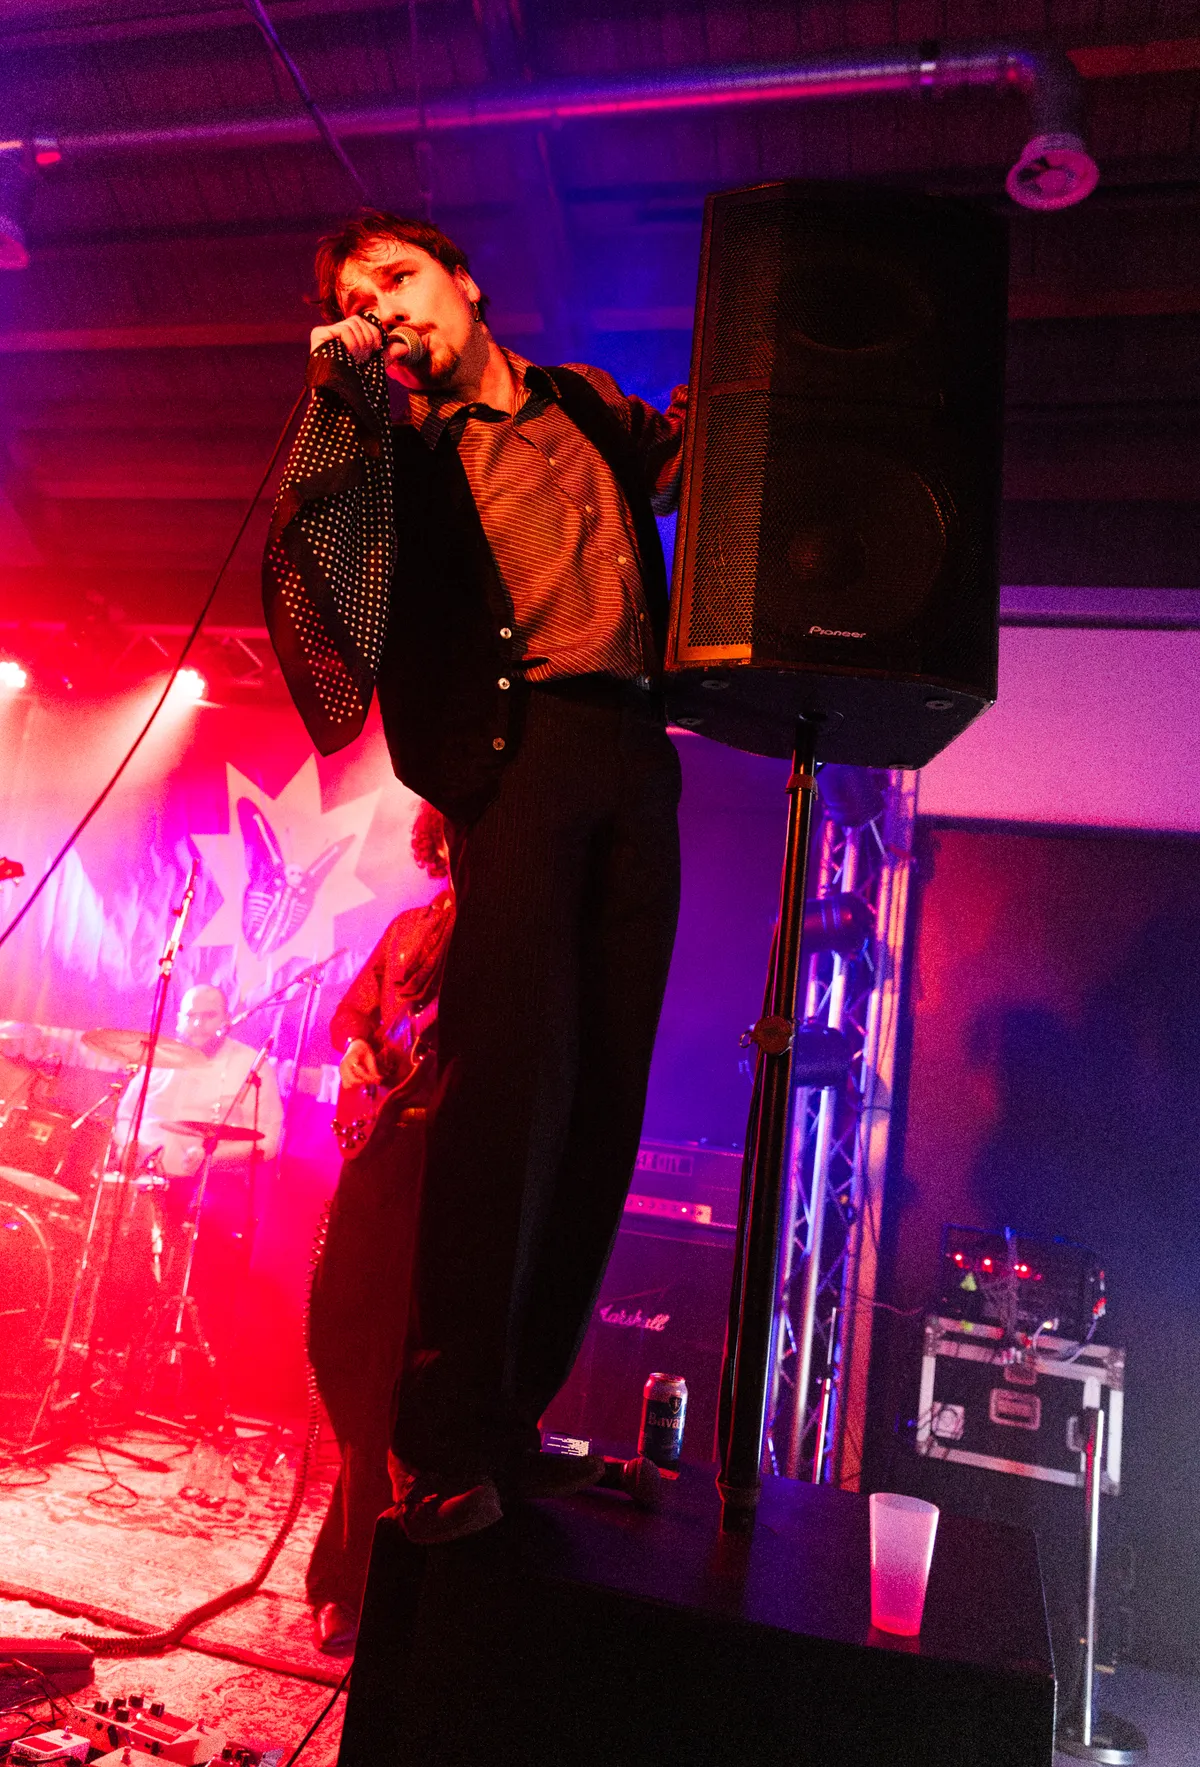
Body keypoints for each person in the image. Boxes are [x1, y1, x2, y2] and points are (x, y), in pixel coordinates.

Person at [264, 208, 686, 1545]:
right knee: (505, 1091)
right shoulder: (393, 456)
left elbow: (704, 457)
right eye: (358, 297)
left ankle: (510, 1417)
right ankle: (440, 1442)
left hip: (641, 752)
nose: (383, 306)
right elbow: (319, 576)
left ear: (466, 281)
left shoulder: (585, 404)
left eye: (397, 277)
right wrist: (338, 396)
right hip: (524, 760)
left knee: (605, 1094)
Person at [306, 802, 453, 1655]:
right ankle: (348, 1579)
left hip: (448, 1167)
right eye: (448, 831)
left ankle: (370, 1580)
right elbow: (348, 1016)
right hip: (380, 1154)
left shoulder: (506, 932)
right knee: (351, 1355)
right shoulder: (408, 930)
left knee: (413, 1380)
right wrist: (355, 1049)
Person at [113, 983, 282, 1368]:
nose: (199, 1024)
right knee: (128, 1262)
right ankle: (127, 1351)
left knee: (202, 1269)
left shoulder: (249, 1065)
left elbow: (270, 1140)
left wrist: (213, 1157)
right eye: (191, 1016)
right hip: (150, 1182)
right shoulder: (159, 1059)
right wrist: (132, 1147)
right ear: (178, 1019)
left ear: (227, 1019)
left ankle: (188, 1359)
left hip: (215, 1187)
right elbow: (125, 1117)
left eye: (209, 1016)